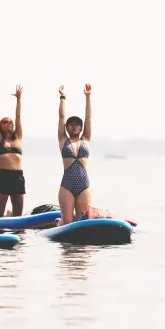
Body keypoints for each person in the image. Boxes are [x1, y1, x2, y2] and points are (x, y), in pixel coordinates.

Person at [0, 83, 25, 218]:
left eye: (10, 122)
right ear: (0, 126)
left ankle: (11, 215)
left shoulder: (18, 138)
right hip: (3, 177)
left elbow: (18, 116)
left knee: (18, 216)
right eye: (5, 122)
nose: (9, 123)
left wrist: (19, 99)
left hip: (17, 177)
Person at [56, 84, 92, 225]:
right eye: (71, 123)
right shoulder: (63, 140)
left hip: (84, 184)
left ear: (81, 127)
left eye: (77, 124)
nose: (74, 125)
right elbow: (61, 117)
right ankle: (60, 222)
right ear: (67, 127)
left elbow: (88, 118)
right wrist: (62, 97)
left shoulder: (86, 139)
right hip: (67, 184)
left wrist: (88, 97)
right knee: (68, 222)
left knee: (81, 223)